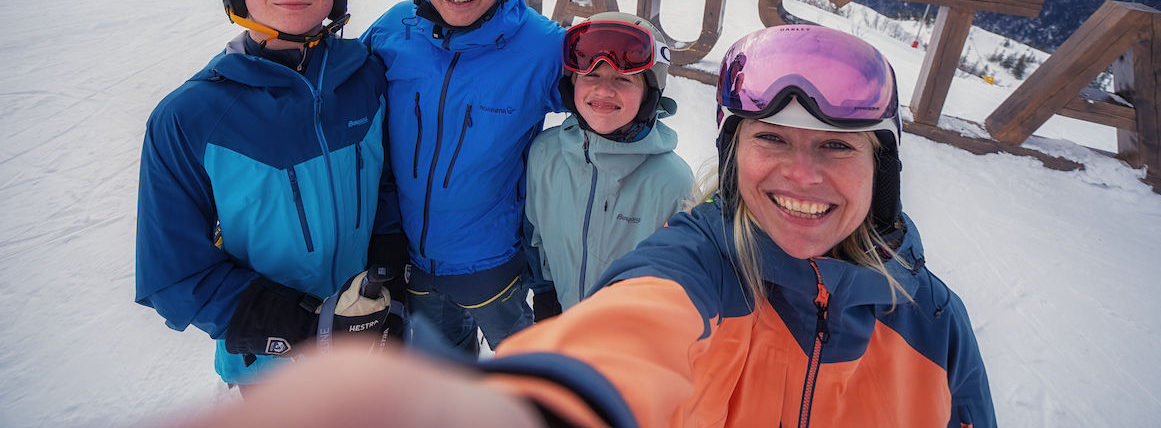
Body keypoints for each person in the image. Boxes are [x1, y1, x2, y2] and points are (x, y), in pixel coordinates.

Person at [167, 23, 996, 428]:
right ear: (734, 154)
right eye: (770, 139)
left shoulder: (934, 326)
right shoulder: (707, 262)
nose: (802, 175)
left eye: (837, 148)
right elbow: (634, 324)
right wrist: (543, 402)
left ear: (882, 165)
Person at [135, 0, 406, 386]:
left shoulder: (366, 78)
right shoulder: (190, 116)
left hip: (372, 339)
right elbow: (174, 276)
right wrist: (308, 327)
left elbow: (385, 186)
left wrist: (389, 274)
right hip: (272, 369)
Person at [361, 0, 565, 354]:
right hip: (411, 265)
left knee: (529, 383)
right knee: (445, 383)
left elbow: (610, 110)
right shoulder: (394, 31)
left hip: (493, 265)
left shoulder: (542, 47)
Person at [525, 12, 694, 318]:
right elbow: (535, 236)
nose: (604, 91)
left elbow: (678, 280)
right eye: (591, 76)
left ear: (649, 94)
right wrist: (545, 295)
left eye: (623, 79)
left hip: (627, 339)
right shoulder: (545, 154)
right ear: (571, 84)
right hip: (560, 318)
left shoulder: (673, 182)